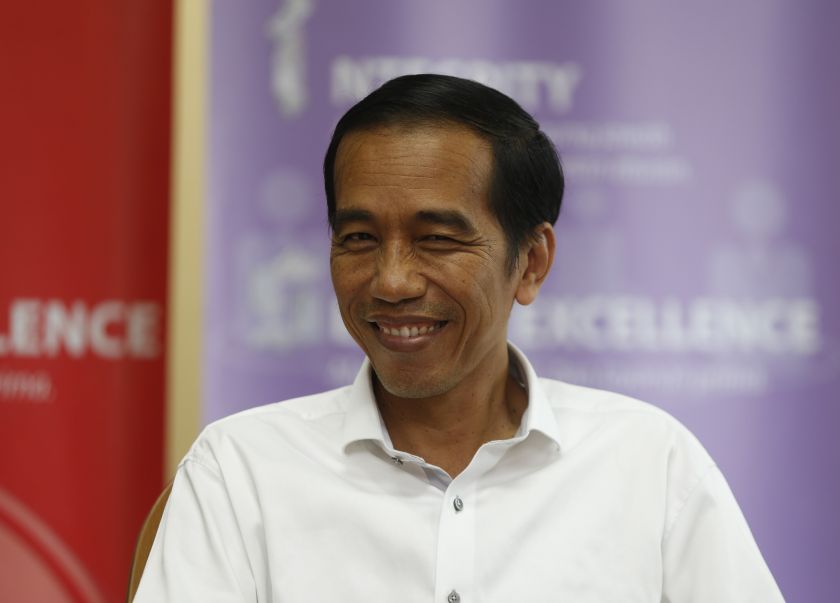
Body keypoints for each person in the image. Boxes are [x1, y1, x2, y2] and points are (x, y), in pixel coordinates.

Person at [134, 74, 784, 602]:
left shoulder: (650, 462)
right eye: (358, 238)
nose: (389, 280)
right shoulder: (240, 470)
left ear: (531, 262)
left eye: (437, 239)